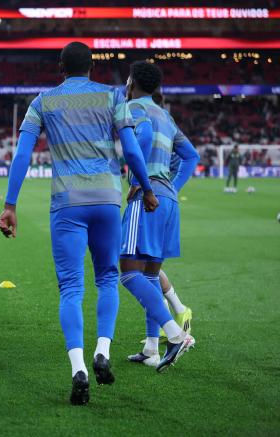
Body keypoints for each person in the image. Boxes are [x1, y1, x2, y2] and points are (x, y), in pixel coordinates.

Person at [0, 42, 157, 406]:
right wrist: (146, 187)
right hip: (106, 197)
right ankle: (103, 349)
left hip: (67, 202)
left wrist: (10, 204)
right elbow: (131, 151)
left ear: (60, 67)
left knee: (71, 287)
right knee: (107, 278)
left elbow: (22, 154)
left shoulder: (43, 101)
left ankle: (78, 369)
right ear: (92, 67)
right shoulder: (113, 97)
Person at [120, 61, 199, 371]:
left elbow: (143, 136)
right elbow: (191, 155)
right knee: (151, 275)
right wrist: (173, 188)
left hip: (147, 199)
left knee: (128, 272)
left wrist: (139, 180)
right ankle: (152, 348)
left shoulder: (134, 109)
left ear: (132, 82)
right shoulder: (165, 115)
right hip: (168, 201)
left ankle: (174, 334)